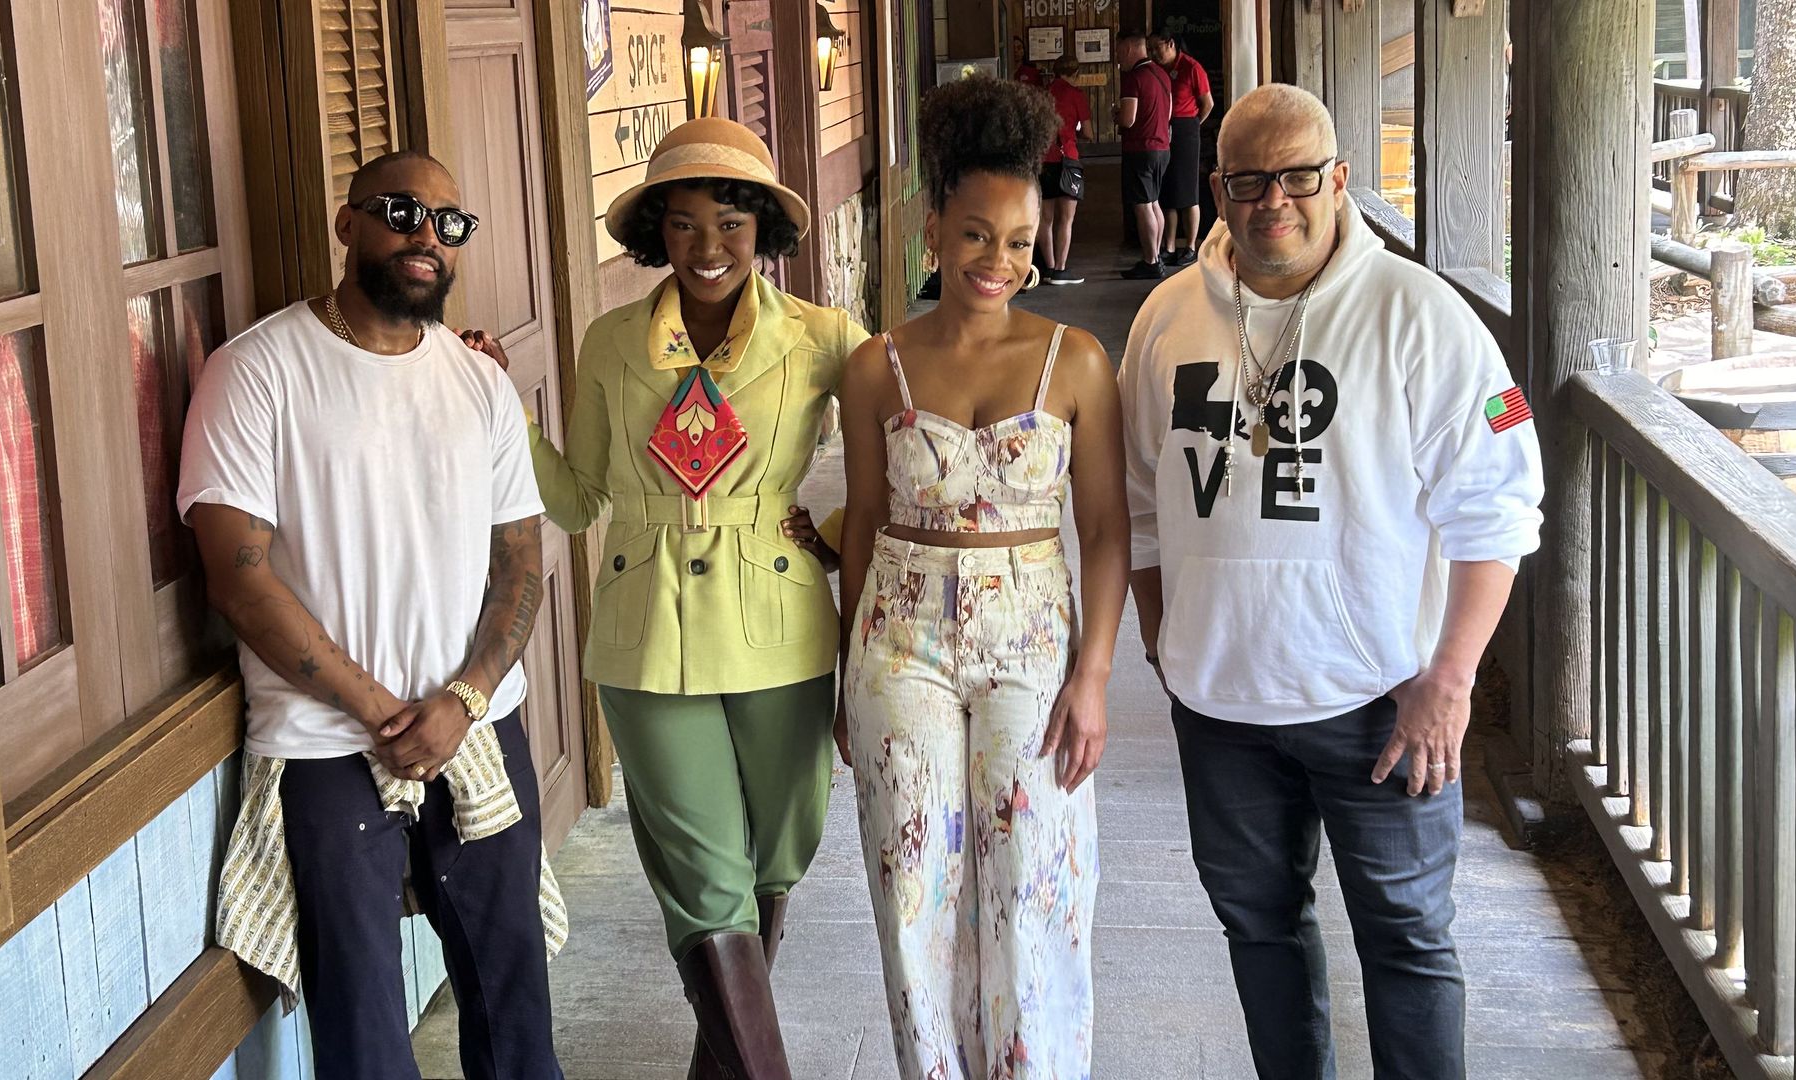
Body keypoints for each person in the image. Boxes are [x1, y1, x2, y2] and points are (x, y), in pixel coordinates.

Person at [1119, 84, 1544, 1079]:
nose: (1277, 200)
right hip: (1220, 703)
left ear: (1339, 178)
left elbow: (1500, 500)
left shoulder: (1422, 315)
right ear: (1217, 188)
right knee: (1258, 929)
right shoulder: (1166, 318)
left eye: (1300, 175)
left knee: (1405, 935)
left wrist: (1451, 679)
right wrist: (1162, 639)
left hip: (1382, 704)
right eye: (1250, 180)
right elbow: (1140, 496)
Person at [180, 150, 567, 1080]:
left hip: (473, 726)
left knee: (514, 1001)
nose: (426, 237)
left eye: (449, 223)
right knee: (362, 1026)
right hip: (325, 743)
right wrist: (381, 712)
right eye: (401, 212)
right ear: (347, 223)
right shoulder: (256, 371)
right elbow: (239, 578)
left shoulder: (479, 385)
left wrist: (463, 701)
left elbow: (520, 562)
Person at [505, 117, 866, 1080]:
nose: (708, 249)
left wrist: (832, 539)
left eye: (732, 224)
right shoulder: (613, 341)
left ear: (766, 233)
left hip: (780, 624)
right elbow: (579, 499)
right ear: (654, 234)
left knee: (780, 853)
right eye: (683, 225)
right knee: (708, 883)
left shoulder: (823, 337)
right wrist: (501, 409)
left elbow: (906, 447)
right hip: (645, 629)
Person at [836, 75, 1129, 1079]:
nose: (997, 260)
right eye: (973, 234)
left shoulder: (1076, 361)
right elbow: (867, 522)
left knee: (1032, 875)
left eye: (1017, 237)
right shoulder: (878, 366)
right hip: (900, 641)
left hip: (1031, 641)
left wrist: (1091, 677)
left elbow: (1102, 530)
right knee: (913, 881)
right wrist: (847, 670)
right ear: (934, 229)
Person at [1150, 31, 1215, 267]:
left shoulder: (1191, 67)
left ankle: (1190, 246)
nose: (1154, 54)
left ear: (1171, 44)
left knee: (1188, 191)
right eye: (1151, 49)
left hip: (1187, 128)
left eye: (1158, 48)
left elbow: (1208, 103)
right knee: (1168, 191)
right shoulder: (1159, 70)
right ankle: (1168, 245)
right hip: (1164, 130)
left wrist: (1194, 123)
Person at [1115, 29, 1173, 280]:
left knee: (1142, 206)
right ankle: (1157, 256)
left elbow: (1128, 119)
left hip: (1140, 149)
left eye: (1119, 51)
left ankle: (1150, 261)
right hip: (1162, 148)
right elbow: (1169, 114)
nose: (1119, 58)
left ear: (1129, 48)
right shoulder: (1163, 75)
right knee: (1154, 203)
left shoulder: (1134, 78)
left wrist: (1115, 115)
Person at [1039, 55, 1091, 285]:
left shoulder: (1043, 94)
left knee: (1046, 218)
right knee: (1066, 220)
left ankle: (1049, 268)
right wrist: (1073, 134)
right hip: (1067, 158)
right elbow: (1088, 132)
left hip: (1044, 159)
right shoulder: (1076, 95)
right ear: (1075, 74)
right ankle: (1061, 269)